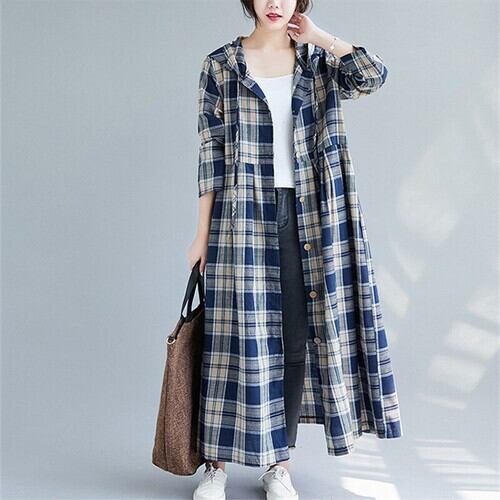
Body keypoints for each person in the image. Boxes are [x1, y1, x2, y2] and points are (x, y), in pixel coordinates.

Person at [188, 1, 403, 499]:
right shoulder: (221, 65)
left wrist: (322, 38)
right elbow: (210, 153)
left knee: (294, 340)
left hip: (311, 212)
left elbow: (373, 76)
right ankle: (215, 466)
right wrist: (201, 234)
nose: (274, 3)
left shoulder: (318, 62)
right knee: (231, 337)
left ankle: (278, 464)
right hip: (241, 215)